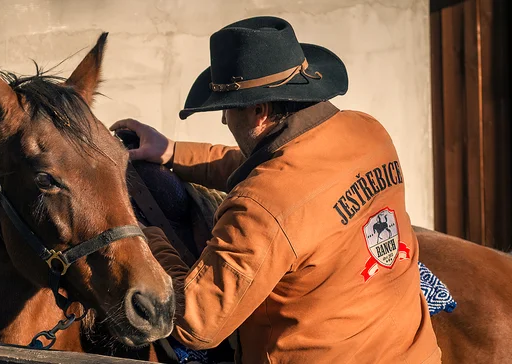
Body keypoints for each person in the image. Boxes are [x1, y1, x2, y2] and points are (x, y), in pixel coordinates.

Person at [110, 16, 441, 364]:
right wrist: (174, 152)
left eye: (228, 109)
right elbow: (276, 171)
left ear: (260, 112)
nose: (224, 120)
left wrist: (146, 238)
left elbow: (198, 323)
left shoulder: (261, 206)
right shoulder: (367, 131)